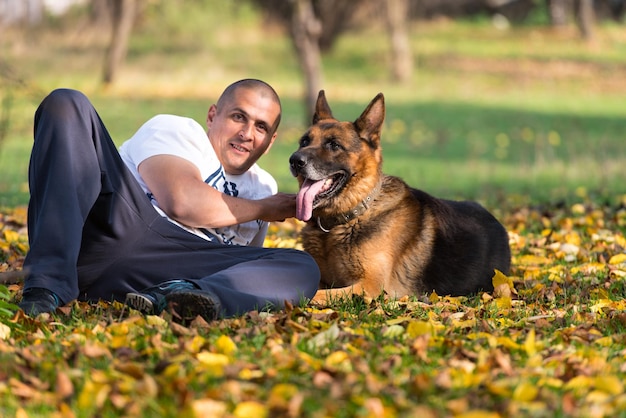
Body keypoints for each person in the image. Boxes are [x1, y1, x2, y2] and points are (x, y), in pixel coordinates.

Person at [18, 79, 320, 322]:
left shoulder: (263, 185)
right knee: (68, 103)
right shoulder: (177, 131)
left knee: (301, 265)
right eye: (238, 116)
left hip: (175, 269)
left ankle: (181, 298)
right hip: (121, 224)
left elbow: (244, 266)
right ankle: (47, 286)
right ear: (213, 115)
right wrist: (268, 208)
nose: (246, 133)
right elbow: (182, 201)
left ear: (270, 142)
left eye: (261, 127)